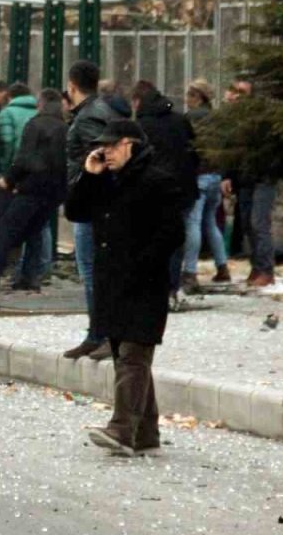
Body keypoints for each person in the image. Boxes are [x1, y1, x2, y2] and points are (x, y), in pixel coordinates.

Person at [66, 119, 185, 457]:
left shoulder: (157, 181)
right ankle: (146, 433)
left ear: (131, 144)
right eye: (101, 146)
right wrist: (88, 175)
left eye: (112, 146)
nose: (105, 152)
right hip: (112, 284)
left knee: (134, 354)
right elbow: (76, 212)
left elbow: (172, 234)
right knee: (125, 354)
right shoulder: (106, 179)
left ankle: (120, 429)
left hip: (144, 283)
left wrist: (143, 265)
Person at [0, 88, 67, 291]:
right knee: (34, 232)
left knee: (6, 229)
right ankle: (30, 278)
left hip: (31, 187)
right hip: (54, 191)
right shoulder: (64, 127)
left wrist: (10, 180)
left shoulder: (35, 124)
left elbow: (24, 158)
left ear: (41, 104)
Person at [61, 60, 124, 360]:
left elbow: (98, 159)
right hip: (96, 203)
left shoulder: (87, 118)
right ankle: (97, 333)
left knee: (92, 271)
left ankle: (101, 334)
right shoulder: (101, 111)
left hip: (91, 204)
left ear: (72, 85)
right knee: (94, 270)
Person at [130, 80, 199, 305]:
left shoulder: (141, 125)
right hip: (183, 189)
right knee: (176, 238)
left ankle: (155, 288)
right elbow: (194, 151)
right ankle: (172, 287)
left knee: (151, 239)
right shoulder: (181, 120)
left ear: (137, 101)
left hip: (154, 190)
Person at [221, 78, 275, 287]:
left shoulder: (260, 120)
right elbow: (229, 149)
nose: (234, 96)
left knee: (258, 223)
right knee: (247, 225)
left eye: (240, 92)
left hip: (262, 176)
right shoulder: (231, 120)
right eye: (232, 91)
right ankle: (257, 266)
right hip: (243, 178)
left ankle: (266, 269)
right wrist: (227, 175)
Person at [182, 79, 231, 286]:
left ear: (197, 97)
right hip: (215, 176)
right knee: (210, 222)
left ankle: (190, 271)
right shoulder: (219, 119)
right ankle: (222, 267)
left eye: (189, 96)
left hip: (198, 176)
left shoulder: (190, 119)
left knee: (193, 223)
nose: (186, 100)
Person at [0, 82, 36, 174]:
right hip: (34, 167)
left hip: (15, 166)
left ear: (9, 96)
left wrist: (4, 167)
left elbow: (7, 141)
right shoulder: (38, 112)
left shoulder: (6, 113)